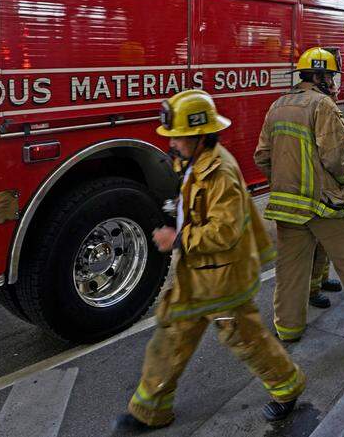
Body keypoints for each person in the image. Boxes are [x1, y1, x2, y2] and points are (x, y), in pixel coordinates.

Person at [117, 90, 305, 432]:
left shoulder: (221, 174)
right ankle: (148, 411)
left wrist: (177, 239)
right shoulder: (192, 161)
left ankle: (287, 389)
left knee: (245, 339)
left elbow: (224, 232)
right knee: (171, 335)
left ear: (202, 136)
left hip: (223, 280)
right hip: (196, 274)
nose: (173, 143)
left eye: (179, 138)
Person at [254, 47, 344, 343]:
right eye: (330, 76)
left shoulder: (277, 105)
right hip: (324, 202)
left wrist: (284, 182)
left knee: (290, 269)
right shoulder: (323, 105)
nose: (333, 83)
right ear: (319, 77)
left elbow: (262, 156)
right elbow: (333, 157)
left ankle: (288, 327)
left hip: (286, 204)